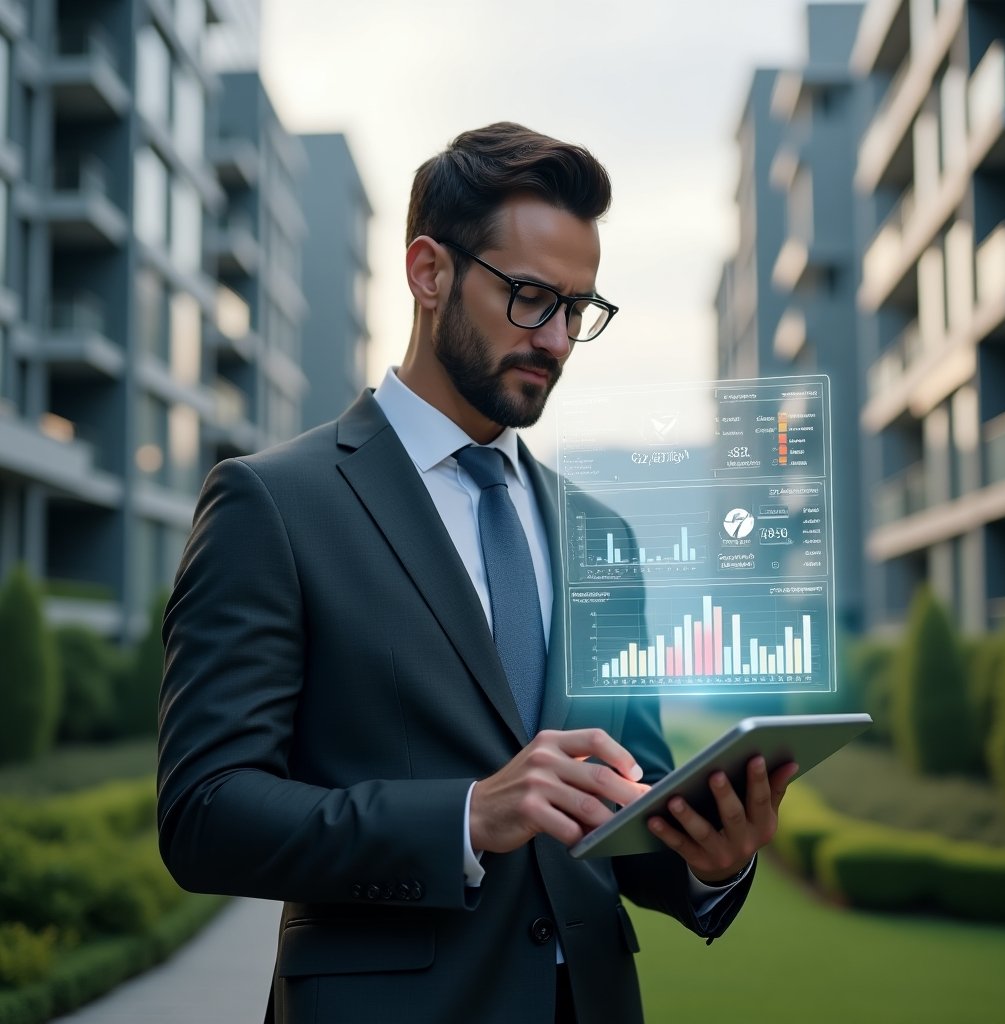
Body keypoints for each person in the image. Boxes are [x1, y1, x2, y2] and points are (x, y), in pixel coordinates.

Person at [157, 122, 797, 1024]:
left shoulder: (600, 535)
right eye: (533, 297)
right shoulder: (272, 504)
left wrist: (708, 856)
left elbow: (624, 806)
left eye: (579, 310)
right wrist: (461, 817)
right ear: (429, 273)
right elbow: (205, 813)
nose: (559, 341)